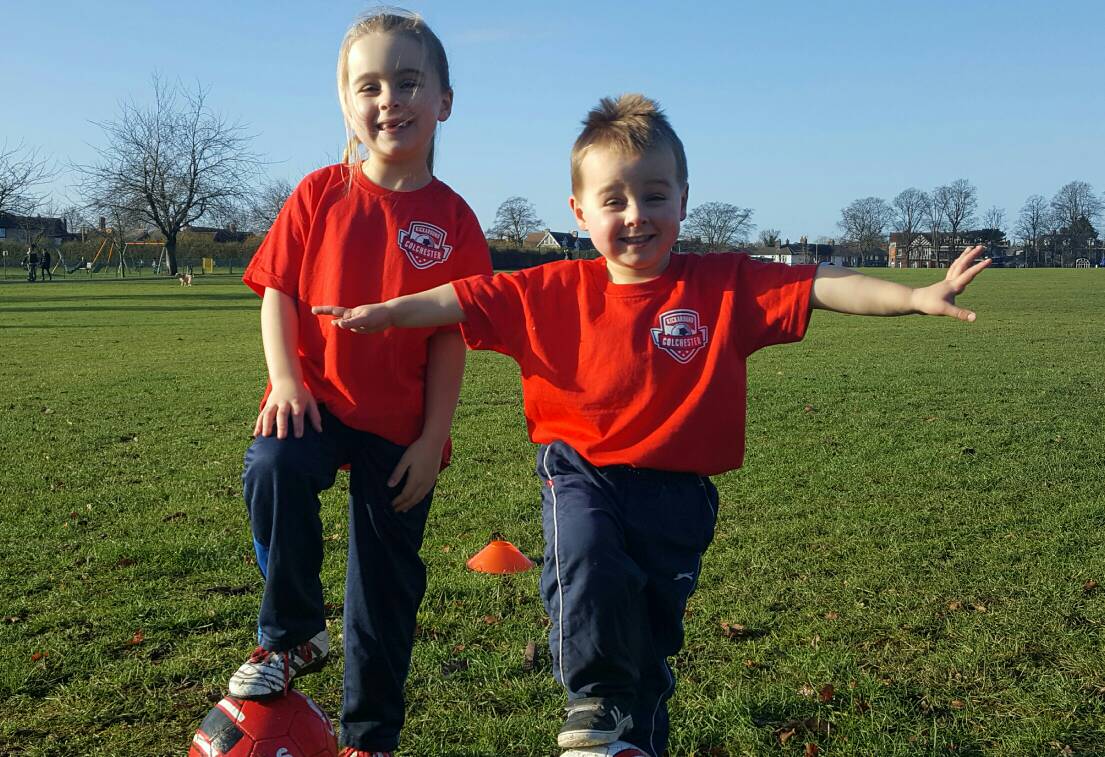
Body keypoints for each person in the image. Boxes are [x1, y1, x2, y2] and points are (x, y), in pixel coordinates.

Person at [312, 94, 992, 756]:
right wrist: (388, 311)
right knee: (585, 558)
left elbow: (822, 285)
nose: (636, 215)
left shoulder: (723, 285)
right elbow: (459, 298)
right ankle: (592, 696)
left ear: (683, 200)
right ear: (580, 211)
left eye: (654, 196)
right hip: (580, 472)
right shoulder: (549, 290)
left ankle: (633, 735)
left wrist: (914, 295)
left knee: (648, 643)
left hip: (677, 496)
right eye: (614, 200)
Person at [227, 10, 491, 757]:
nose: (388, 100)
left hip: (400, 428)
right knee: (273, 465)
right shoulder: (318, 193)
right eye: (368, 86)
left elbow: (451, 338)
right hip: (313, 402)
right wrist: (285, 380)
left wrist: (433, 439)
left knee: (384, 585)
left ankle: (369, 739)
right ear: (346, 103)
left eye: (407, 82)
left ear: (443, 100)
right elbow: (277, 291)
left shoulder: (455, 221)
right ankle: (291, 635)